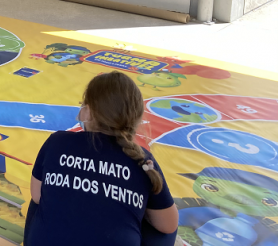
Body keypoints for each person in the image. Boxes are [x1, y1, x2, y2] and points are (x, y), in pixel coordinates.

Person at [24, 71, 178, 246]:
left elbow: (37, 196)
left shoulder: (57, 141)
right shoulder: (143, 161)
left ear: (88, 112)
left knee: (43, 200)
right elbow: (169, 225)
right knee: (162, 224)